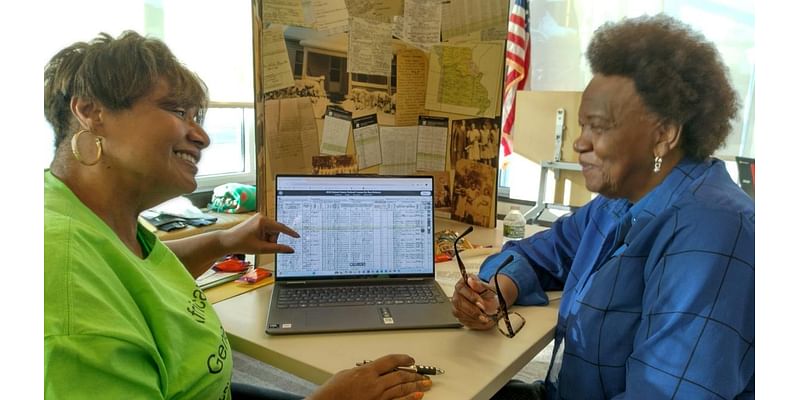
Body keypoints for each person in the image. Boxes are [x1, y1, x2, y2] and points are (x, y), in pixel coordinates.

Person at [44, 31, 432, 400]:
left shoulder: (89, 216)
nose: (202, 136)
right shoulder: (65, 289)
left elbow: (136, 280)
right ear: (91, 111)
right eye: (178, 110)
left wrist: (224, 240)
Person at [450, 14, 754, 400]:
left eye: (599, 126)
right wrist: (497, 290)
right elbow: (540, 252)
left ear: (664, 135)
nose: (579, 144)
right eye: (581, 126)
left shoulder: (713, 232)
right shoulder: (619, 202)